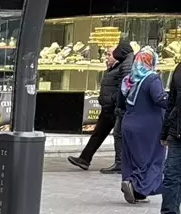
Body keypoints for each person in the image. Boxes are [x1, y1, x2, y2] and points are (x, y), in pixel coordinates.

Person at [118, 47, 169, 205]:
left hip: (128, 123)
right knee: (151, 158)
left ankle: (136, 190)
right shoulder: (152, 78)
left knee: (132, 158)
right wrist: (173, 101)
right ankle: (135, 184)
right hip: (148, 127)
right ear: (151, 61)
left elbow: (120, 103)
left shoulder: (129, 79)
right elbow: (159, 99)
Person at [69, 42, 130, 171]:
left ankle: (120, 163)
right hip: (108, 107)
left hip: (114, 107)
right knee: (98, 134)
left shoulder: (123, 67)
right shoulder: (114, 67)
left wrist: (113, 100)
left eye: (109, 54)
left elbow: (122, 87)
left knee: (118, 135)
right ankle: (85, 159)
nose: (106, 57)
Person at [146, 67, 180, 214]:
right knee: (171, 175)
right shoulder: (179, 69)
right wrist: (165, 131)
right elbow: (172, 101)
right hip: (177, 133)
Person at [102, 41, 137, 174]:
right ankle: (122, 162)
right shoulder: (127, 61)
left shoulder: (127, 63)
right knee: (118, 133)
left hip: (123, 107)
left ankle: (120, 163)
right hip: (122, 105)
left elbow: (125, 86)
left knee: (119, 134)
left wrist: (117, 101)